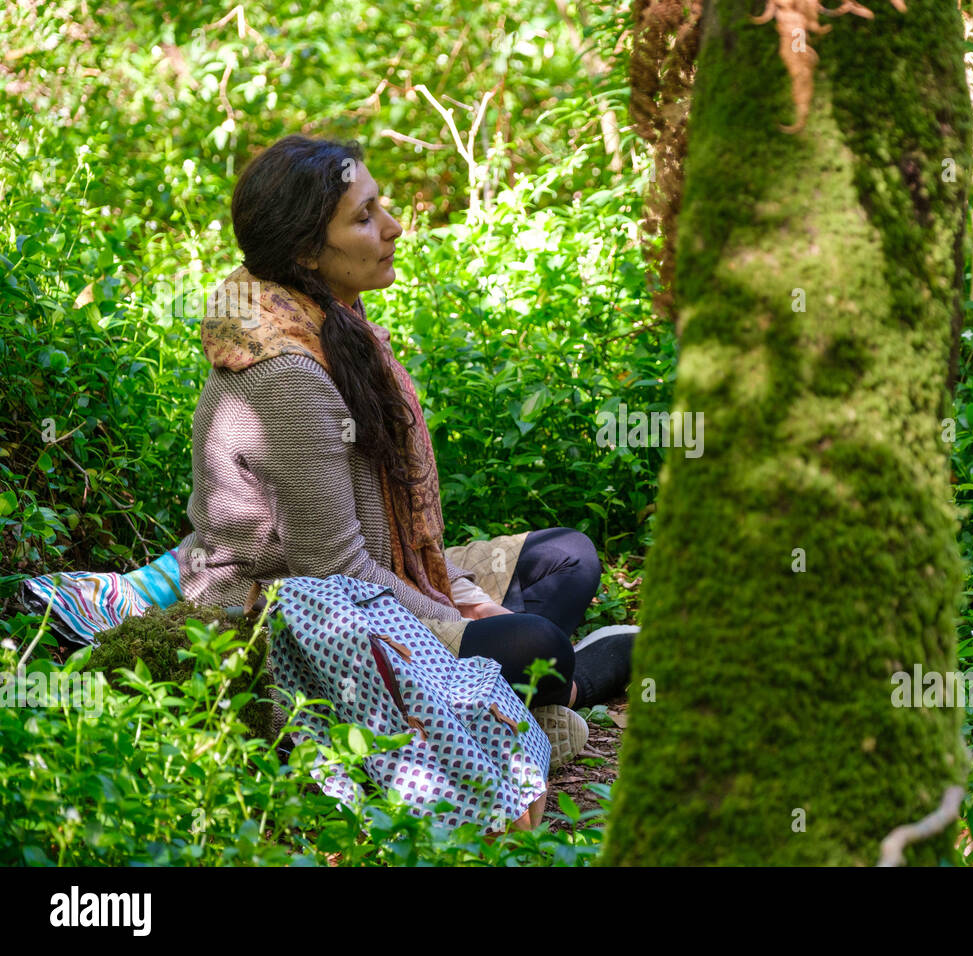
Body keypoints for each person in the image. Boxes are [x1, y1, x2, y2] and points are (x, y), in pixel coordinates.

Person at [23, 135, 636, 768]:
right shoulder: (287, 375)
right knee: (537, 643)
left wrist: (457, 595)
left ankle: (514, 705)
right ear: (306, 253)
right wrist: (468, 610)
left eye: (382, 207)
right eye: (365, 217)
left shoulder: (333, 318)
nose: (393, 228)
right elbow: (334, 572)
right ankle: (569, 686)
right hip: (291, 613)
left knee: (567, 559)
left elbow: (383, 545)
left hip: (380, 572)